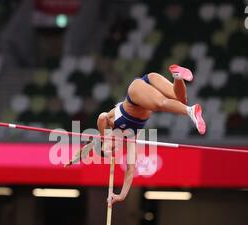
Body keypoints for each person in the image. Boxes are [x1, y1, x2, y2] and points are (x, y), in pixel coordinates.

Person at [67, 65, 206, 206]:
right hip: (149, 81)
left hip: (136, 91)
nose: (114, 148)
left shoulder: (110, 122)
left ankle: (191, 111)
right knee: (180, 98)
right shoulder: (131, 137)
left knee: (160, 104)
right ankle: (177, 75)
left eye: (109, 148)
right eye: (114, 150)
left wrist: (99, 140)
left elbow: (101, 117)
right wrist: (121, 195)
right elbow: (130, 169)